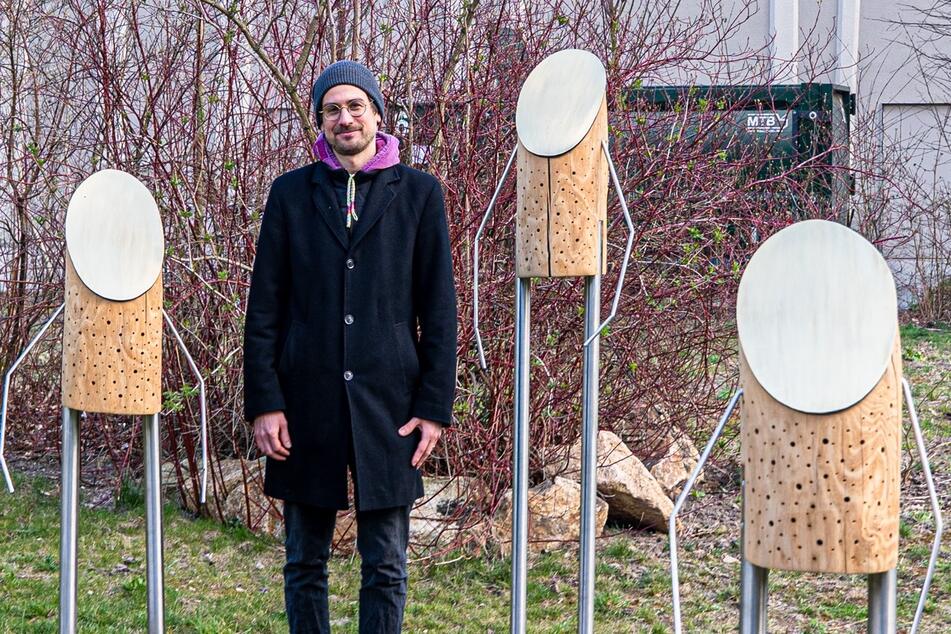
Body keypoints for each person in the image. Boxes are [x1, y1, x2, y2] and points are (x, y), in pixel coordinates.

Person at [243, 60, 457, 633]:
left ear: (378, 115)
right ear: (321, 122)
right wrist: (266, 402)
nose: (345, 119)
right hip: (305, 402)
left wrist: (434, 408)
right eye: (332, 109)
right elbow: (264, 308)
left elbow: (438, 312)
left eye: (355, 106)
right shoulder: (290, 195)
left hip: (389, 404)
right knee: (303, 561)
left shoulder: (418, 195)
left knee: (385, 564)